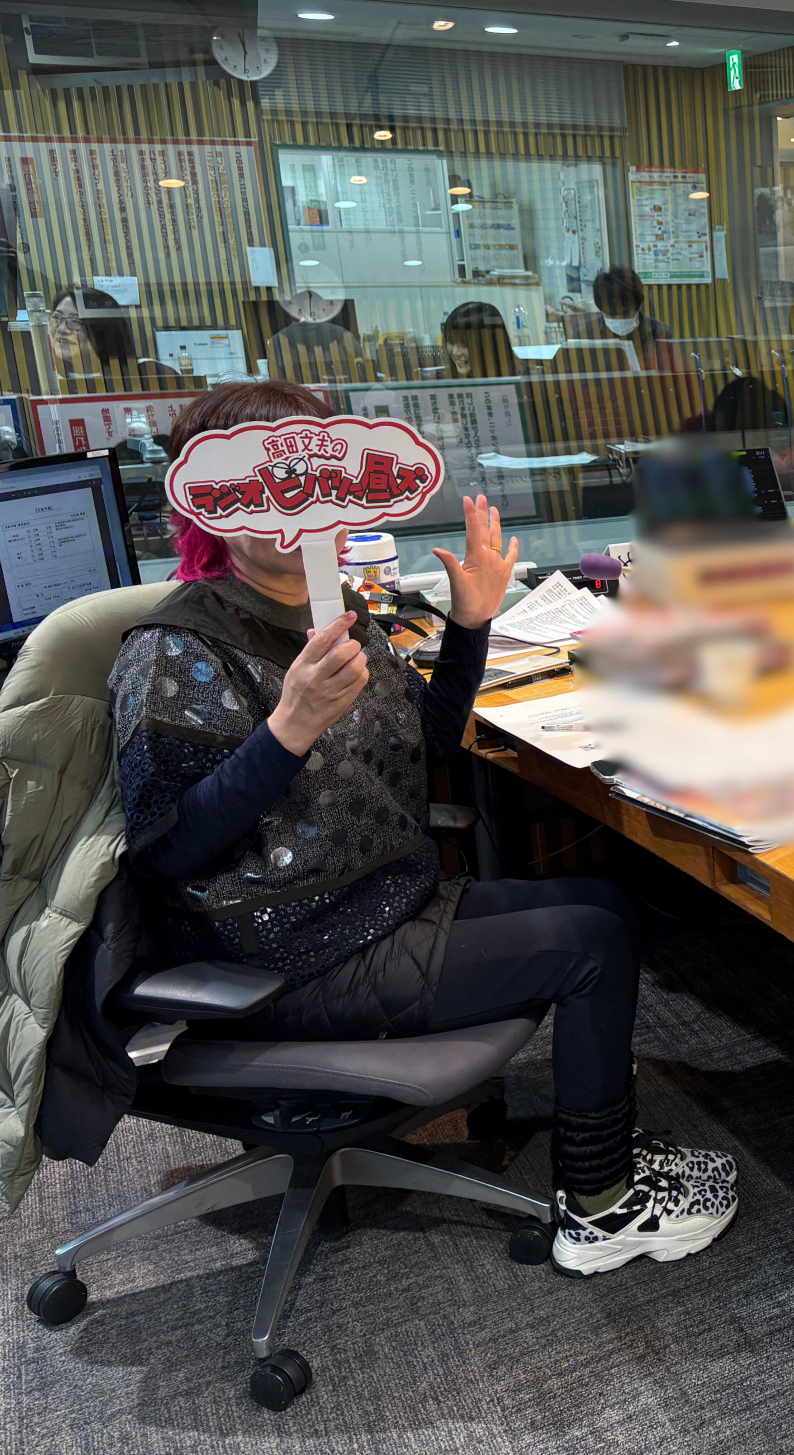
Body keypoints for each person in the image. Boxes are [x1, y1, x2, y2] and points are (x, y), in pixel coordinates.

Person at [111, 381, 736, 1275]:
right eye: (270, 483)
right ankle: (600, 1206)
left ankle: (602, 1134)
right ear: (211, 501)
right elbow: (166, 849)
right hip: (290, 955)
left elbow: (428, 742)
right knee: (591, 945)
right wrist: (287, 731)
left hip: (384, 903)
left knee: (604, 902)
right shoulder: (175, 648)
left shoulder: (330, 609)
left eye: (321, 478)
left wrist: (470, 624)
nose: (303, 506)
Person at [588, 265, 685, 374]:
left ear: (638, 306)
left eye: (625, 314)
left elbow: (676, 377)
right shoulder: (587, 335)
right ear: (600, 308)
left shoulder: (660, 334)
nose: (620, 319)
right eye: (612, 315)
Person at [48, 285, 138, 385]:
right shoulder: (47, 381)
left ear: (103, 330)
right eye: (56, 318)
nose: (61, 328)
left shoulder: (140, 375)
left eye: (75, 321)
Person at [441, 300, 520, 379]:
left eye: (464, 344)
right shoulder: (442, 379)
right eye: (451, 342)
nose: (456, 352)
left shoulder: (522, 377)